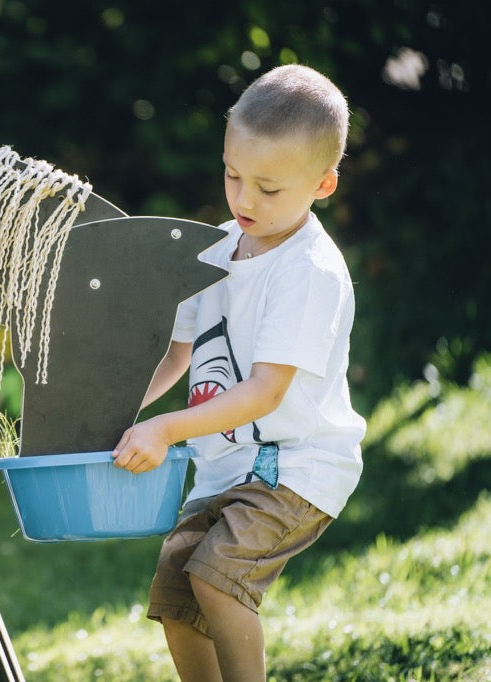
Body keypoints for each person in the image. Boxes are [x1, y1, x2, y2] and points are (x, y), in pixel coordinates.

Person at [111, 63, 366, 681]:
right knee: (177, 595)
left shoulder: (309, 272)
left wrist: (167, 429)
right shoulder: (214, 251)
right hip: (224, 466)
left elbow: (266, 390)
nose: (245, 199)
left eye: (269, 188)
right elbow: (176, 354)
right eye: (233, 175)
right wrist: (118, 416)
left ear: (323, 184)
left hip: (295, 466)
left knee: (218, 581)